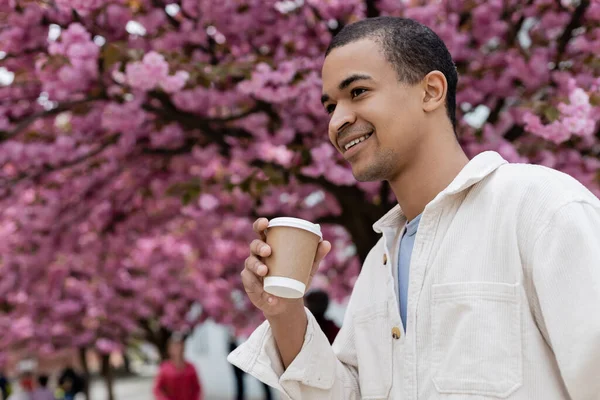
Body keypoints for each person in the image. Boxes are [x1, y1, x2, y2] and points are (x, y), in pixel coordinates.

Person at [228, 16, 600, 400]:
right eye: (329, 106)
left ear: (431, 91)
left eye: (357, 92)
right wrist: (284, 310)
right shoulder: (380, 262)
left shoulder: (540, 208)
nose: (337, 121)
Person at [153, 334, 203, 400]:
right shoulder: (164, 367)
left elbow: (197, 389)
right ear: (170, 349)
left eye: (180, 345)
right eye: (175, 346)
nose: (179, 348)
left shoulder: (191, 367)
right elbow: (157, 389)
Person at [228, 334, 273, 400]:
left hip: (254, 346)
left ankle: (269, 397)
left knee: (262, 376)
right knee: (239, 379)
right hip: (238, 346)